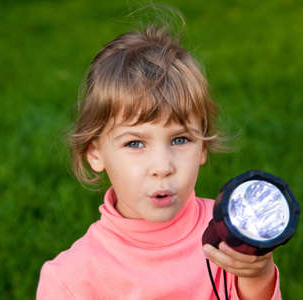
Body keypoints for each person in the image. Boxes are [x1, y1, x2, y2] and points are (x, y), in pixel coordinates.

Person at [37, 25, 282, 300]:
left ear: (203, 145)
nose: (162, 167)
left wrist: (258, 276)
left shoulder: (229, 236)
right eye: (135, 143)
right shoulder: (71, 279)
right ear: (95, 153)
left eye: (180, 140)